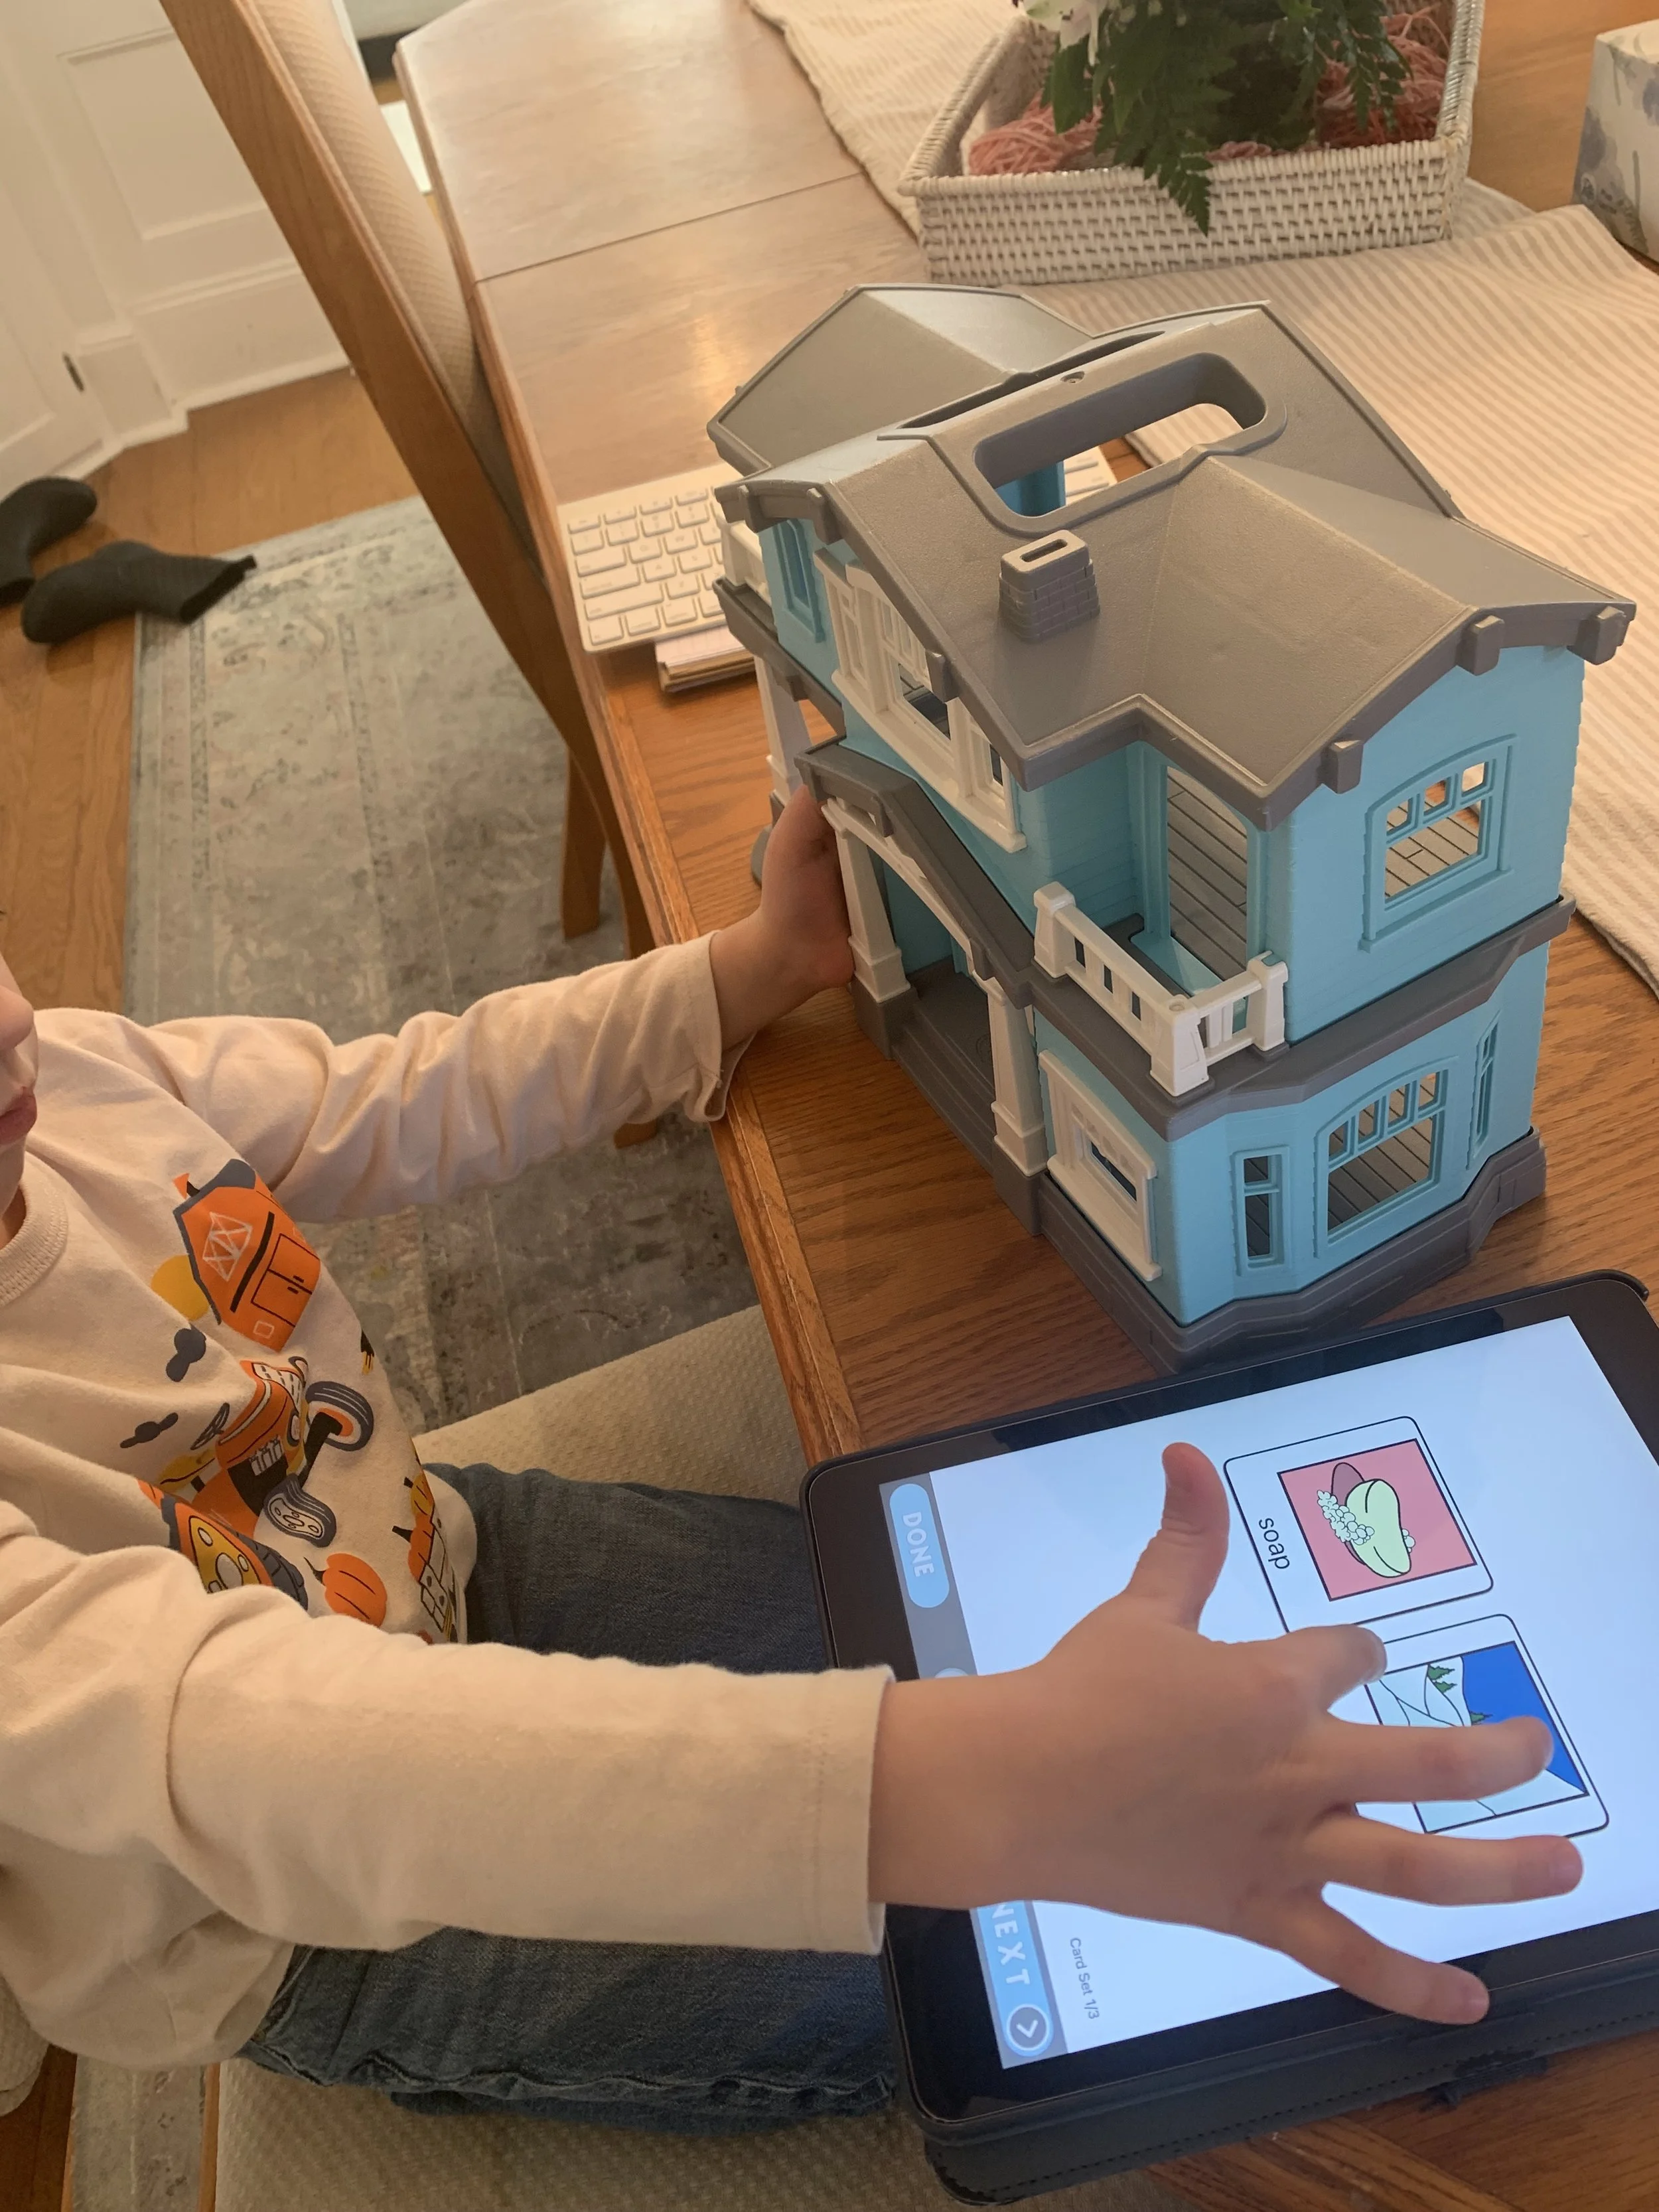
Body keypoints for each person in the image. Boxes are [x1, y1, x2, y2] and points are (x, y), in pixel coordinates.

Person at [0, 787, 1578, 2132]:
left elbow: (402, 1094)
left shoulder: (64, 1079)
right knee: (990, 1980)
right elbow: (254, 1747)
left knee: (976, 1657)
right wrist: (986, 1784)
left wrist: (747, 969)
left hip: (447, 1552)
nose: (14, 1029)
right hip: (284, 1920)